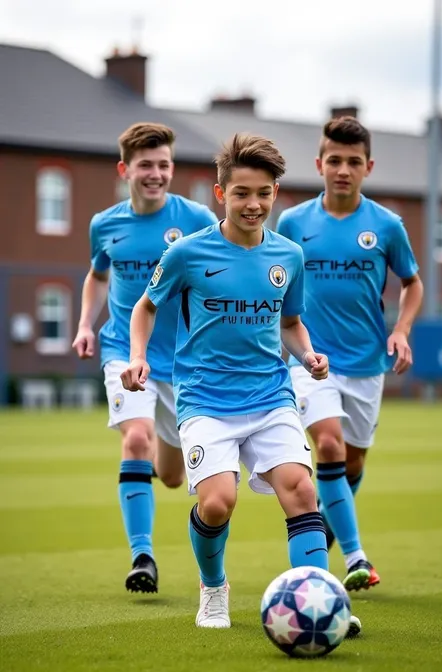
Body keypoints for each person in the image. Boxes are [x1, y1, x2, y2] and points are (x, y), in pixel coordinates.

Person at [120, 132, 344, 632]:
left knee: (302, 492)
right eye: (242, 193)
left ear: (275, 193)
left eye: (263, 193)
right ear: (220, 194)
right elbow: (146, 307)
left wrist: (307, 355)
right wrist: (138, 357)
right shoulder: (188, 254)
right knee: (218, 502)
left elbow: (290, 322)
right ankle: (214, 588)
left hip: (270, 395)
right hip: (204, 399)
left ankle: (322, 603)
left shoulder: (289, 257)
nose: (254, 203)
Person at [277, 116, 424, 591]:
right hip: (311, 360)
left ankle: (330, 520)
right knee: (328, 446)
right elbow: (273, 283)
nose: (343, 169)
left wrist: (400, 329)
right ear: (320, 164)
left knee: (351, 463)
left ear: (368, 167)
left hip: (366, 364)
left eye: (353, 162)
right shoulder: (294, 221)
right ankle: (356, 556)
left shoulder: (386, 225)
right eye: (334, 160)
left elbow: (413, 282)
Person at [72, 122, 217, 594]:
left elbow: (220, 271)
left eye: (164, 165)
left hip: (181, 359)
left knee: (173, 477)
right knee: (136, 439)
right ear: (124, 169)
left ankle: (151, 467)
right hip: (123, 350)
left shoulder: (196, 217)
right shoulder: (104, 224)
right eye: (146, 165)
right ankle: (143, 556)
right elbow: (97, 276)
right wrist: (83, 326)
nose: (156, 174)